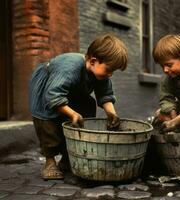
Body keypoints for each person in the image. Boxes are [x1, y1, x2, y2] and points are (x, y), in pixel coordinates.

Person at [29, 34, 128, 180]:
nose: (110, 74)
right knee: (48, 123)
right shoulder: (70, 67)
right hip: (48, 90)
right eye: (109, 70)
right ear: (93, 61)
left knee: (87, 105)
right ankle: (50, 162)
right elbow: (53, 95)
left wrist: (111, 113)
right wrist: (73, 114)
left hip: (71, 92)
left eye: (113, 71)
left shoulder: (102, 75)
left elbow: (105, 94)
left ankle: (67, 159)